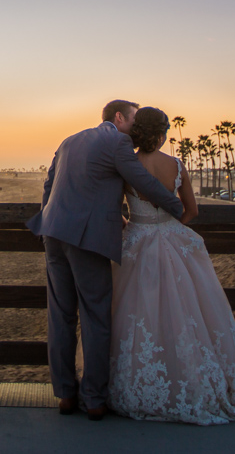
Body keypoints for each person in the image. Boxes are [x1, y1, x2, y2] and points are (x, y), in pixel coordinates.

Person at [108, 107, 235, 424]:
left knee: (135, 316)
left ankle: (137, 386)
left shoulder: (126, 166)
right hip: (171, 241)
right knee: (186, 315)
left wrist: (135, 224)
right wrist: (169, 226)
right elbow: (192, 211)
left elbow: (114, 211)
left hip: (136, 243)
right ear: (161, 134)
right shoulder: (176, 165)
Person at [27, 100, 185, 421]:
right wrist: (177, 208)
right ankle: (95, 399)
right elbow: (143, 182)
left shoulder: (70, 140)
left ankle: (66, 395)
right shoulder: (118, 142)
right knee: (96, 315)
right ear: (118, 117)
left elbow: (50, 185)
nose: (136, 125)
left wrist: (48, 220)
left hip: (53, 233)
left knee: (60, 316)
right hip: (87, 239)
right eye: (133, 118)